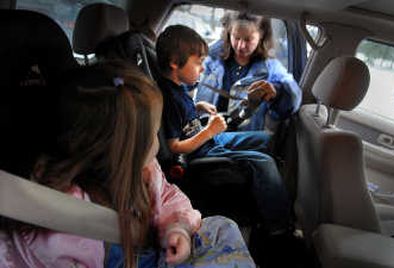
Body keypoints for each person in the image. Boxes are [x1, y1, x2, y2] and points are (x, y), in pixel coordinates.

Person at [0, 61, 255, 268]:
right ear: (128, 151)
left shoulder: (147, 170)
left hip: (158, 249)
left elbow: (168, 197)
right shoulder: (60, 218)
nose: (159, 141)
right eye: (154, 133)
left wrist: (177, 227)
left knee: (223, 226)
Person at [156, 25, 293, 266]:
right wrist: (209, 131)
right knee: (263, 161)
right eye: (197, 63)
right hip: (201, 150)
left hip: (206, 137)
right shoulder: (166, 97)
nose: (201, 68)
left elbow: (182, 117)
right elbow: (175, 147)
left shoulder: (176, 89)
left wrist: (197, 109)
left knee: (264, 139)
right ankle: (279, 228)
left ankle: (268, 191)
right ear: (175, 63)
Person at [194, 12, 302, 131]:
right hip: (202, 135)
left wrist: (277, 92)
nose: (241, 46)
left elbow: (293, 101)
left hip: (242, 141)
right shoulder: (209, 58)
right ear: (229, 32)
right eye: (236, 37)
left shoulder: (271, 68)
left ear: (261, 35)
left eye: (248, 39)